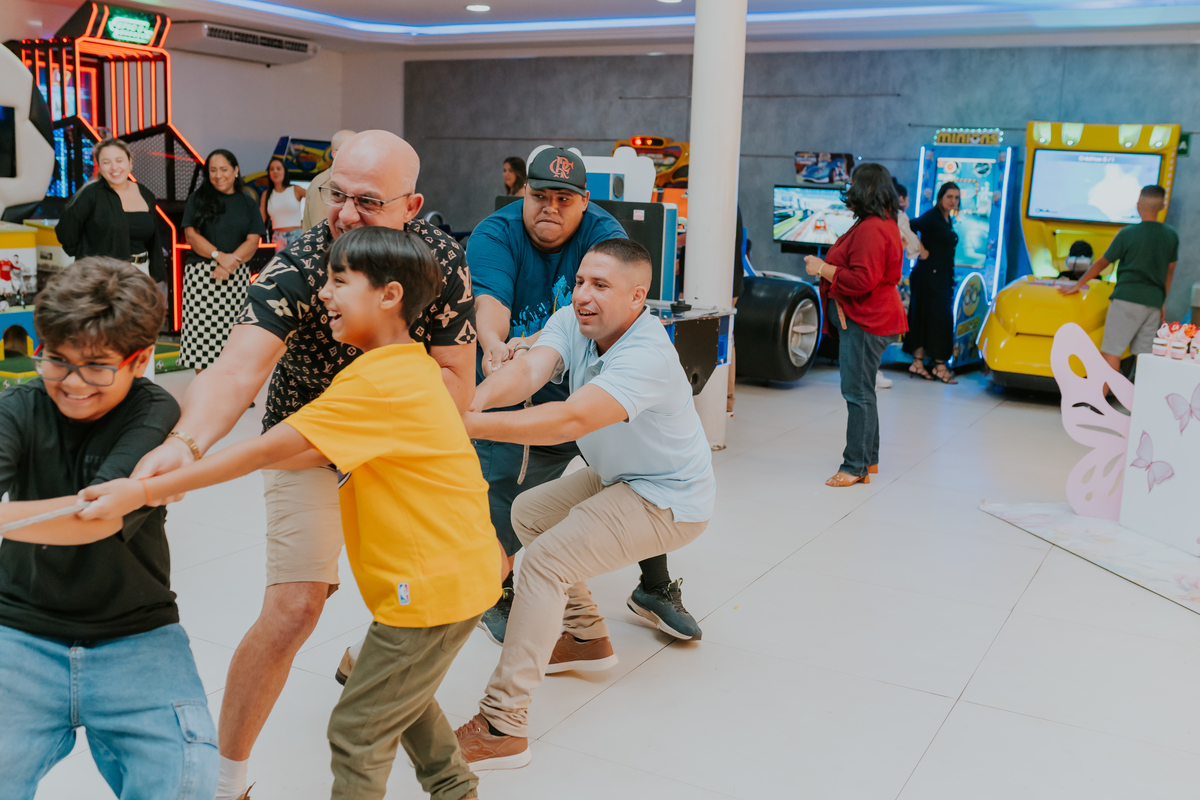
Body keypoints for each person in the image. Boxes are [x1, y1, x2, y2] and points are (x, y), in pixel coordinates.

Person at [82, 228, 499, 800]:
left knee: (356, 730)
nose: (323, 293)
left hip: (431, 591)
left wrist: (151, 489)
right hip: (450, 578)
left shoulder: (377, 382)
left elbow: (265, 448)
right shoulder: (412, 367)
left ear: (388, 295)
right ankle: (455, 790)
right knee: (401, 691)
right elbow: (296, 450)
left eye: (338, 281)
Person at [452, 239, 714, 770]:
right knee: (528, 512)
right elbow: (528, 373)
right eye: (579, 282)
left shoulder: (646, 355)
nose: (583, 296)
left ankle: (504, 723)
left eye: (600, 286)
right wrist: (474, 399)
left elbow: (572, 419)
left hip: (667, 497)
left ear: (638, 297)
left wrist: (470, 426)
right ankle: (585, 636)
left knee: (548, 560)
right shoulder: (576, 321)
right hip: (619, 475)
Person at [0, 257, 218, 798]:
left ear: (140, 359)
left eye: (96, 366)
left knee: (185, 783)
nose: (72, 383)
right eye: (56, 360)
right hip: (16, 627)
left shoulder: (155, 413)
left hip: (137, 634)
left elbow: (90, 518)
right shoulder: (17, 407)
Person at [468, 146, 699, 646]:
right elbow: (511, 337)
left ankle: (653, 587)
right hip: (527, 376)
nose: (550, 207)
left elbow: (574, 419)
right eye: (540, 195)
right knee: (508, 491)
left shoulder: (605, 241)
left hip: (590, 395)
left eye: (564, 199)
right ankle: (497, 590)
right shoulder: (497, 237)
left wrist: (465, 421)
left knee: (625, 469)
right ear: (522, 191)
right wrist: (492, 355)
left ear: (585, 202)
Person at [804, 163, 908, 487]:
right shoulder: (878, 223)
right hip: (866, 317)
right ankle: (868, 460)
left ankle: (854, 466)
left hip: (865, 319)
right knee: (864, 392)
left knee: (857, 393)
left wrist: (822, 268)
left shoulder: (873, 227)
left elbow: (863, 279)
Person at [1059, 185, 1178, 371]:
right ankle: (1139, 399)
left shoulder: (1128, 233)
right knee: (1144, 356)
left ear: (1138, 206)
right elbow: (1169, 272)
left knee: (1111, 353)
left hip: (1126, 299)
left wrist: (1078, 284)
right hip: (1153, 302)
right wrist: (1162, 300)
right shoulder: (1171, 236)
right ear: (1162, 206)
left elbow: (1101, 263)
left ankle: (1102, 399)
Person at [179, 149, 266, 372]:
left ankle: (230, 389)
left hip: (235, 276)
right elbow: (191, 236)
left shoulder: (248, 203)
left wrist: (230, 263)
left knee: (232, 334)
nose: (219, 175)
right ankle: (205, 391)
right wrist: (220, 257)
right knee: (201, 338)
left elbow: (253, 240)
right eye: (213, 170)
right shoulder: (197, 199)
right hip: (202, 276)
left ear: (235, 170)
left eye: (224, 169)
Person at [56, 138, 166, 285]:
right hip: (103, 277)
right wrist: (88, 255)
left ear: (130, 162)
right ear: (99, 167)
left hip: (141, 273)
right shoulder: (90, 194)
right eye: (106, 162)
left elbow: (153, 241)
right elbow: (66, 231)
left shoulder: (145, 193)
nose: (114, 167)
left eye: (119, 160)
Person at [903, 181, 959, 383]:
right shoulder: (933, 217)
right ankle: (939, 365)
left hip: (939, 277)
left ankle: (918, 362)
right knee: (937, 319)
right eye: (949, 197)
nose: (953, 201)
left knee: (927, 317)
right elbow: (908, 226)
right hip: (929, 276)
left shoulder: (945, 219)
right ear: (940, 198)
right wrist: (920, 250)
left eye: (956, 197)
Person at [302, 129, 356, 232]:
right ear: (334, 154)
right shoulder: (325, 183)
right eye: (351, 149)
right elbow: (321, 233)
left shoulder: (345, 180)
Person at [259, 155, 307, 251]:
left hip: (297, 234)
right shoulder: (267, 194)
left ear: (284, 171)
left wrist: (307, 222)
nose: (275, 171)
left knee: (298, 265)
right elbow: (261, 218)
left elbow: (314, 197)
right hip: (278, 237)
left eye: (278, 168)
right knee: (282, 265)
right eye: (272, 169)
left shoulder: (295, 189)